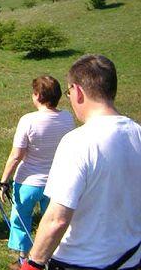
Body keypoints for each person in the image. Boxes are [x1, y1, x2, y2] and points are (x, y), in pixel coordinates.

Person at [21, 55, 141, 270]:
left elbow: (57, 219)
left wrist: (32, 264)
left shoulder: (78, 142)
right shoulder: (138, 133)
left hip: (80, 261)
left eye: (68, 92)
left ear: (77, 92)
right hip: (130, 258)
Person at [0, 76, 75, 269]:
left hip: (28, 181)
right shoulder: (67, 118)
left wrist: (4, 180)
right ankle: (51, 256)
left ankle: (24, 258)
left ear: (38, 96)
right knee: (53, 221)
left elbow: (16, 155)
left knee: (21, 219)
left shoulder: (28, 121)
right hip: (56, 181)